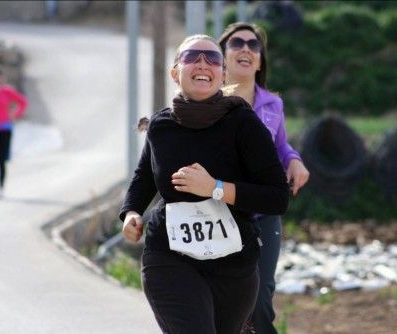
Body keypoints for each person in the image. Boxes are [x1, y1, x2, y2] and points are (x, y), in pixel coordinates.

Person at [119, 34, 289, 334]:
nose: (202, 64)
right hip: (169, 255)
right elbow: (145, 175)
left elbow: (276, 197)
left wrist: (215, 188)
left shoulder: (243, 123)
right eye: (191, 56)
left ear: (222, 75)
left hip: (234, 264)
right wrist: (131, 211)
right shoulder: (161, 125)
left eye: (212, 59)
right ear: (175, 72)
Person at [218, 22, 310, 334]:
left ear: (259, 60)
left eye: (253, 45)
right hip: (219, 213)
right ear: (223, 56)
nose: (245, 48)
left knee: (260, 298)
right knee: (224, 299)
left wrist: (294, 161)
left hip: (264, 214)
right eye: (237, 43)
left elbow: (280, 145)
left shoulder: (273, 104)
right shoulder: (208, 102)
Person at [0, 63, 27, 198]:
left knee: (1, 159)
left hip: (4, 128)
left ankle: (1, 187)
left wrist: (15, 115)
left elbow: (22, 102)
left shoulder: (6, 91)